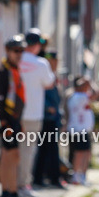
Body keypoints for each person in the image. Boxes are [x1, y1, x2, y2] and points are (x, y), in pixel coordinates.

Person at [0, 35, 29, 197]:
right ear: (8, 51)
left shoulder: (14, 69)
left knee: (7, 157)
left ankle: (6, 192)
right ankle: (12, 192)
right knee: (12, 156)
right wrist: (2, 122)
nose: (19, 54)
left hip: (13, 120)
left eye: (22, 50)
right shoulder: (2, 70)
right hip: (6, 121)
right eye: (16, 50)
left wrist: (18, 122)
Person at [17, 29, 55, 197]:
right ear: (38, 45)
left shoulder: (16, 60)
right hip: (33, 113)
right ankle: (24, 184)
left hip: (16, 112)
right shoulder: (41, 64)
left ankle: (12, 183)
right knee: (28, 150)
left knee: (13, 150)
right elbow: (49, 83)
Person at [34, 50, 65, 187]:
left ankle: (51, 177)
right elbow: (38, 93)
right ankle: (42, 178)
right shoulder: (44, 74)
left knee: (52, 149)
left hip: (53, 118)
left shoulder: (52, 75)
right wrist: (47, 107)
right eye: (54, 60)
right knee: (45, 149)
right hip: (46, 118)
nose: (57, 63)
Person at [66, 77, 98, 185]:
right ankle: (76, 176)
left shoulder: (76, 96)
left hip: (81, 129)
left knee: (86, 153)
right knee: (80, 153)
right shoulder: (80, 96)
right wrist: (91, 83)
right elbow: (97, 94)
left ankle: (81, 176)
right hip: (79, 130)